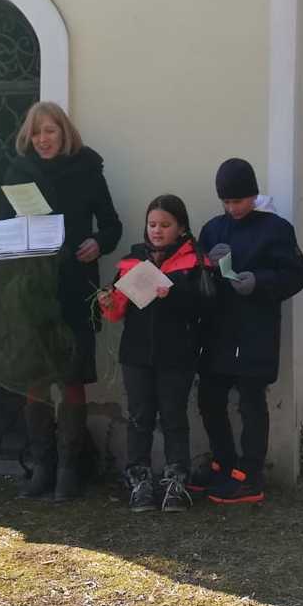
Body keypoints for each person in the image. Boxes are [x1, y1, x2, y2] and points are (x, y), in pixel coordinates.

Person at [4, 101, 122, 502]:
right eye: (36, 132)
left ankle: (70, 471)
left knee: (72, 378)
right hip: (33, 287)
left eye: (50, 131)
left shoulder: (88, 169)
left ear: (64, 133)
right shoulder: (18, 173)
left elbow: (112, 225)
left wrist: (98, 243)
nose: (43, 139)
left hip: (75, 286)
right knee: (35, 379)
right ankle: (43, 467)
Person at [195, 158, 303, 505]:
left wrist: (259, 282)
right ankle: (223, 462)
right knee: (210, 397)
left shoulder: (276, 229)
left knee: (250, 401)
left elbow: (296, 275)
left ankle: (250, 474)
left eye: (239, 201)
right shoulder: (213, 229)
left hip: (255, 329)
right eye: (226, 202)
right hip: (218, 329)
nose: (233, 208)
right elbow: (197, 278)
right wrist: (208, 266)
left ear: (254, 195)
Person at [99, 195, 209, 513]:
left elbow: (205, 307)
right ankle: (139, 481)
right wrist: (108, 303)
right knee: (139, 418)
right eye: (152, 224)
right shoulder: (131, 261)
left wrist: (173, 295)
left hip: (177, 355)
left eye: (165, 225)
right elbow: (117, 312)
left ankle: (176, 482)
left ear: (181, 228)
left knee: (174, 418)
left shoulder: (195, 262)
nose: (157, 230)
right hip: (136, 356)